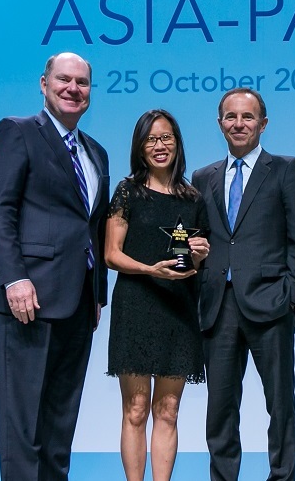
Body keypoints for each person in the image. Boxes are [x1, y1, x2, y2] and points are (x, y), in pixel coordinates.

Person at [0, 52, 110, 481]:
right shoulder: (17, 132)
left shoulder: (96, 153)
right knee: (23, 429)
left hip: (78, 305)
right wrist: (14, 278)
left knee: (59, 426)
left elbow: (93, 226)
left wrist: (97, 295)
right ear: (44, 83)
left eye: (82, 83)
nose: (73, 88)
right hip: (27, 300)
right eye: (64, 79)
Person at [191, 88, 295, 481]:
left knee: (280, 406)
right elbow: (198, 238)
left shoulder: (286, 169)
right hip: (218, 307)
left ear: (263, 123)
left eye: (248, 117)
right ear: (219, 123)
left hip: (271, 303)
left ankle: (282, 477)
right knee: (221, 408)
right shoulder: (202, 176)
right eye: (231, 117)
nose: (239, 124)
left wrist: (294, 296)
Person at [104, 109, 211, 481]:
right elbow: (111, 254)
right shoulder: (127, 191)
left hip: (178, 311)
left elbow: (190, 257)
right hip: (136, 305)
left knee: (168, 410)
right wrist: (151, 270)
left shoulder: (193, 197)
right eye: (151, 139)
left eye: (166, 138)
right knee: (135, 410)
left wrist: (197, 254)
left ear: (178, 144)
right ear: (140, 146)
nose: (159, 146)